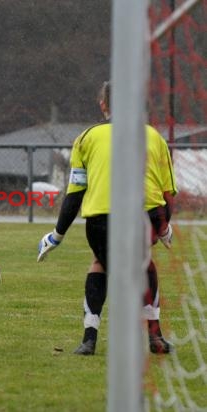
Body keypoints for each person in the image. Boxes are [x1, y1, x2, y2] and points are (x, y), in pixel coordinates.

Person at [37, 81, 177, 355]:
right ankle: (155, 337)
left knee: (99, 263)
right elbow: (167, 192)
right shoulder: (154, 137)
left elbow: (75, 195)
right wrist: (163, 228)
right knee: (144, 262)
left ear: (103, 105)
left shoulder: (87, 138)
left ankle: (89, 338)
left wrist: (57, 235)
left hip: (101, 220)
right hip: (144, 217)